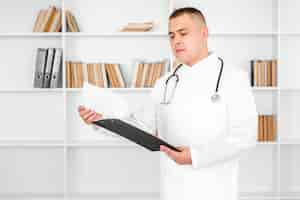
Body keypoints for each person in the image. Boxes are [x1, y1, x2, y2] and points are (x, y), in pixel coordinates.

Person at [78, 7, 257, 200]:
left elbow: (245, 136)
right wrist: (102, 121)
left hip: (215, 188)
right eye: (171, 35)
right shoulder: (165, 82)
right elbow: (140, 127)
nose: (176, 41)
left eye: (183, 33)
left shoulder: (234, 78)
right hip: (173, 188)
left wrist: (195, 156)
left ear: (204, 33)